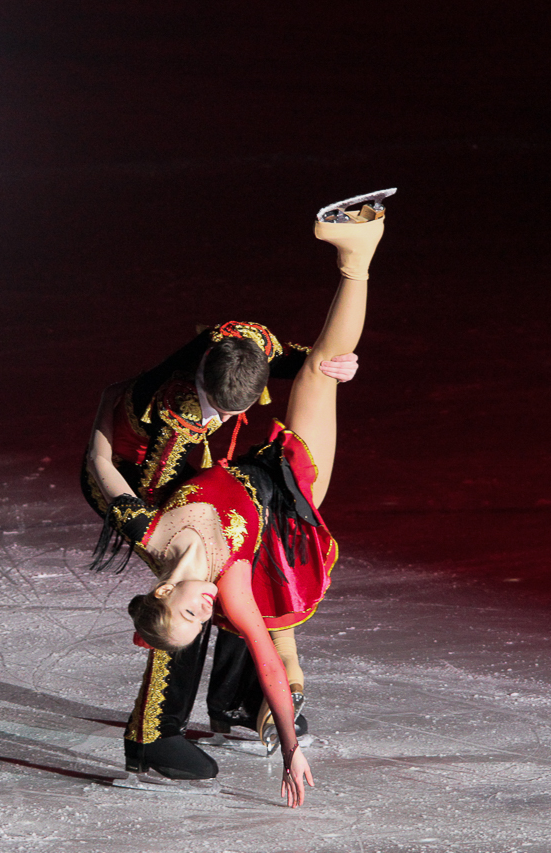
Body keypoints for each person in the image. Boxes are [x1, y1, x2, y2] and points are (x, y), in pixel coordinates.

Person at [126, 201, 384, 807]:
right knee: (320, 374)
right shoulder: (230, 582)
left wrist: (99, 440)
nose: (204, 610)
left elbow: (115, 483)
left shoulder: (152, 528)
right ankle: (361, 256)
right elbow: (263, 655)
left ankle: (223, 710)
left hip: (240, 463)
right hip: (290, 490)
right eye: (201, 619)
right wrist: (293, 750)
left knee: (322, 367)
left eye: (190, 613)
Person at [82, 310, 357, 784]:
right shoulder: (179, 418)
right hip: (145, 480)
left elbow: (109, 461)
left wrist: (324, 362)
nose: (203, 609)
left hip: (156, 493)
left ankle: (234, 702)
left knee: (195, 594)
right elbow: (140, 476)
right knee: (196, 608)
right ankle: (152, 733)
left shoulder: (223, 355)